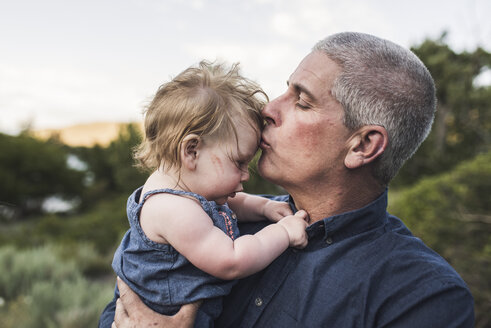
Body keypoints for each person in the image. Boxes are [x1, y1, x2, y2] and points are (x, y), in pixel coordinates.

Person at [104, 32, 475, 327]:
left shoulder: (422, 296)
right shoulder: (220, 212)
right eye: (285, 89)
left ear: (362, 145)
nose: (268, 109)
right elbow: (123, 305)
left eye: (302, 101)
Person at [98, 61, 309, 328]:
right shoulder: (172, 210)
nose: (246, 175)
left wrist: (264, 207)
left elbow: (229, 203)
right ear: (192, 151)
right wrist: (284, 233)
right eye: (239, 162)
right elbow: (232, 260)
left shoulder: (183, 186)